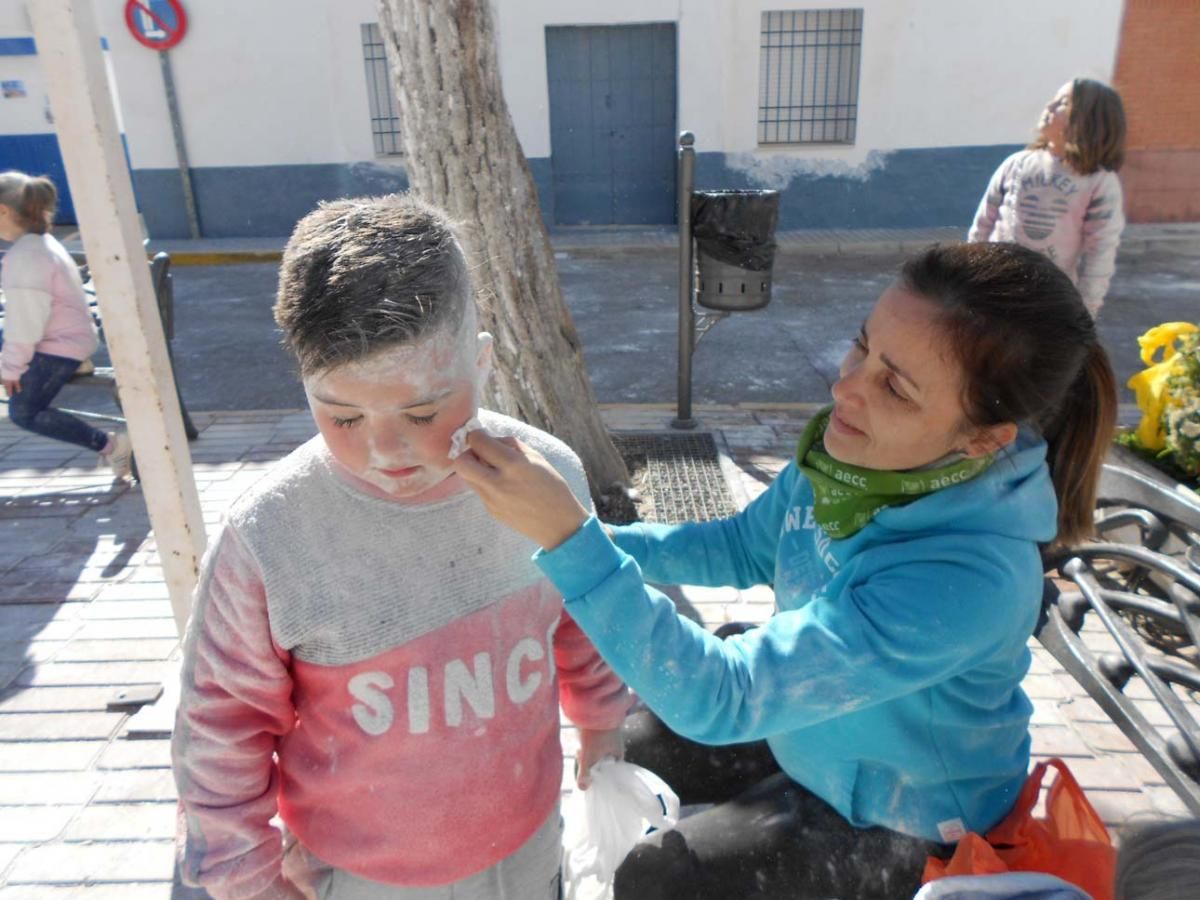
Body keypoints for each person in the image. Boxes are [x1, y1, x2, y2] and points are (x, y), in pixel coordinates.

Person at [454, 241, 1119, 900]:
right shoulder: (855, 462)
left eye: (895, 386)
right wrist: (593, 537)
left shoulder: (968, 579)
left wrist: (572, 545)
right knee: (626, 745)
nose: (844, 388)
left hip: (905, 815)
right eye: (862, 347)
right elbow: (742, 546)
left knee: (658, 878)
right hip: (818, 731)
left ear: (982, 440)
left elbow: (724, 696)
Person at [171, 194, 630, 899]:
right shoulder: (269, 537)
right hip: (358, 877)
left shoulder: (548, 477)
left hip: (530, 843)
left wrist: (601, 722)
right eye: (342, 414)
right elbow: (219, 728)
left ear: (481, 365)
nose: (386, 451)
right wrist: (247, 878)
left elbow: (588, 609)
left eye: (422, 411)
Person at [0, 171, 131, 477]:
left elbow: (25, 326)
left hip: (59, 345)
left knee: (24, 412)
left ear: (3, 210)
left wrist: (10, 370)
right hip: (67, 338)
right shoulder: (40, 245)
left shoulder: (26, 258)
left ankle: (111, 446)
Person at [968, 78, 1126, 317]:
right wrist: (968, 272)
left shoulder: (1098, 182)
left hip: (1047, 299)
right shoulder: (1017, 163)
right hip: (994, 286)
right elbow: (984, 223)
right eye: (1053, 99)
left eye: (1063, 103)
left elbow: (1101, 249)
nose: (1049, 106)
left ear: (1088, 121)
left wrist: (1086, 310)